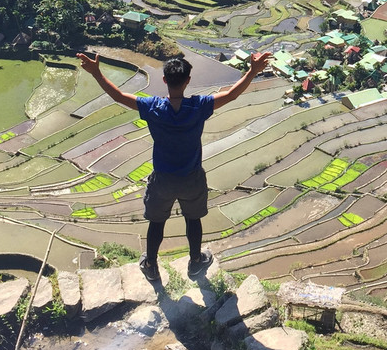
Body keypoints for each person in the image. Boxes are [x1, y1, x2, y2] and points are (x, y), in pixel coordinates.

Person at [77, 50, 272, 281]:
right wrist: (253, 70)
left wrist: (97, 72)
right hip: (191, 178)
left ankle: (150, 265)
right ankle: (196, 262)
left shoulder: (153, 108)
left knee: (157, 223)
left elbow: (118, 96)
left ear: (164, 80)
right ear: (188, 81)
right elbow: (231, 95)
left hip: (163, 180)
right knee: (193, 220)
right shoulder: (199, 106)